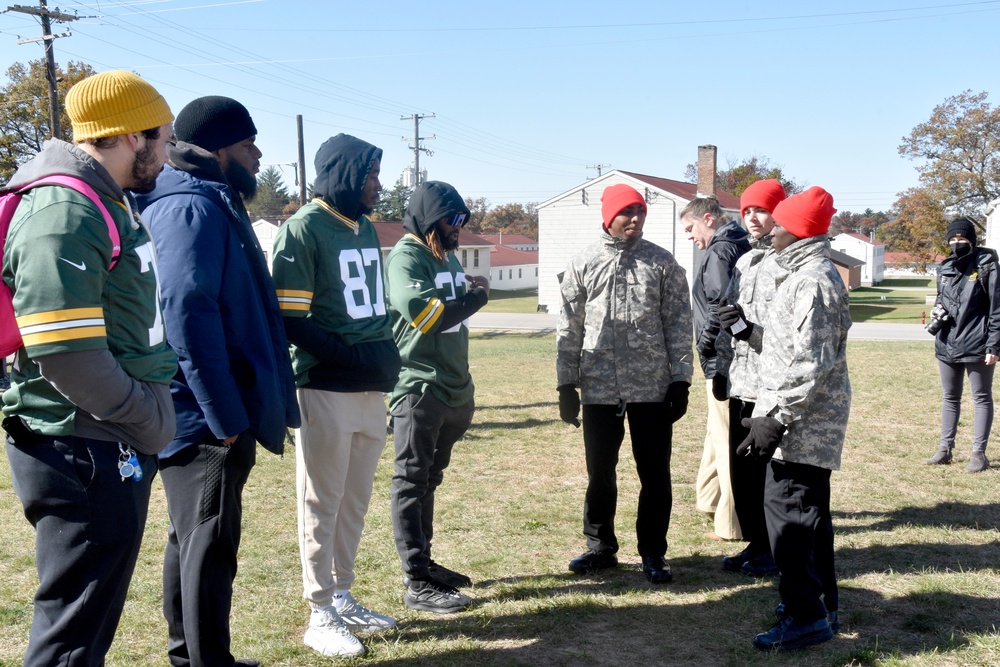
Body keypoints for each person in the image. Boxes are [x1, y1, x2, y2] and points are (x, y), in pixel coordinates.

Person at [1, 70, 177, 667]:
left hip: (99, 437)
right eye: (166, 138)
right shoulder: (65, 209)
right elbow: (65, 354)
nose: (170, 152)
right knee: (71, 635)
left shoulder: (100, 198)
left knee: (86, 623)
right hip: (83, 442)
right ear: (131, 135)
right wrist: (146, 418)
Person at [135, 96, 301, 667]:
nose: (258, 156)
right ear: (221, 148)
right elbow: (186, 311)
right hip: (203, 413)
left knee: (191, 539)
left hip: (205, 408)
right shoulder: (190, 206)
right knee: (208, 544)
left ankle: (194, 657)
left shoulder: (205, 196)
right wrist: (225, 416)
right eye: (250, 144)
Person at [272, 133, 401, 658]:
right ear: (344, 173)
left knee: (355, 499)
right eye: (369, 174)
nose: (377, 184)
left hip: (370, 387)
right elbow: (291, 319)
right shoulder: (303, 228)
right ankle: (319, 610)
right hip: (324, 386)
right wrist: (349, 357)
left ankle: (342, 593)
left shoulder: (366, 228)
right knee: (320, 501)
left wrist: (382, 355)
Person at [730, 186, 850, 651]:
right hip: (791, 418)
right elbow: (787, 349)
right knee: (800, 517)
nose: (770, 230)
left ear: (795, 230)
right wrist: (745, 330)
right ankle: (815, 603)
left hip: (803, 425)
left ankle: (808, 616)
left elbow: (810, 364)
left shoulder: (813, 281)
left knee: (792, 522)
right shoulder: (798, 275)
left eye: (778, 223)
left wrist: (774, 418)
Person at [557, 183, 693, 584]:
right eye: (626, 212)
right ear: (608, 216)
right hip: (599, 387)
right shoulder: (583, 263)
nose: (635, 219)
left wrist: (681, 380)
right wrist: (566, 385)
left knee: (654, 473)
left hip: (651, 389)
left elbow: (680, 325)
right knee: (600, 471)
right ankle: (600, 546)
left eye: (640, 212)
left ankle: (653, 551)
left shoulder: (662, 263)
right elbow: (569, 327)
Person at [384, 180, 490, 613]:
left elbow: (459, 299)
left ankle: (425, 564)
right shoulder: (407, 257)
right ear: (430, 217)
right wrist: (480, 295)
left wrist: (472, 290)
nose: (459, 227)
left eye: (463, 218)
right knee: (410, 482)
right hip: (419, 387)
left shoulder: (442, 256)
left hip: (451, 386)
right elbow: (429, 316)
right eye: (452, 218)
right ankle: (415, 581)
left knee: (428, 481)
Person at [716, 179, 785, 578]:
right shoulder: (744, 262)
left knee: (765, 473)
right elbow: (728, 311)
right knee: (743, 472)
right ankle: (755, 542)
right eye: (746, 211)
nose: (753, 218)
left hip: (769, 383)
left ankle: (771, 548)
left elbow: (786, 333)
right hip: (741, 377)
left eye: (761, 209)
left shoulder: (784, 262)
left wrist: (747, 330)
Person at [681, 196, 750, 542]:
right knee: (715, 431)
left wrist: (706, 343)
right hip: (727, 357)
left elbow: (720, 303)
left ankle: (732, 523)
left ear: (708, 218)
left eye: (691, 228)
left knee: (725, 438)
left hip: (722, 360)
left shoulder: (721, 252)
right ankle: (709, 500)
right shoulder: (735, 244)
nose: (690, 237)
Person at [924, 217, 999, 473]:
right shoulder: (944, 268)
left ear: (972, 241)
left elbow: (996, 309)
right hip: (946, 343)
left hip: (978, 343)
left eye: (962, 239)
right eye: (953, 240)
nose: (957, 244)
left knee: (981, 397)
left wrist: (994, 346)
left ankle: (978, 454)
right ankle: (944, 449)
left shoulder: (987, 265)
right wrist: (937, 311)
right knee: (950, 397)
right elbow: (941, 299)